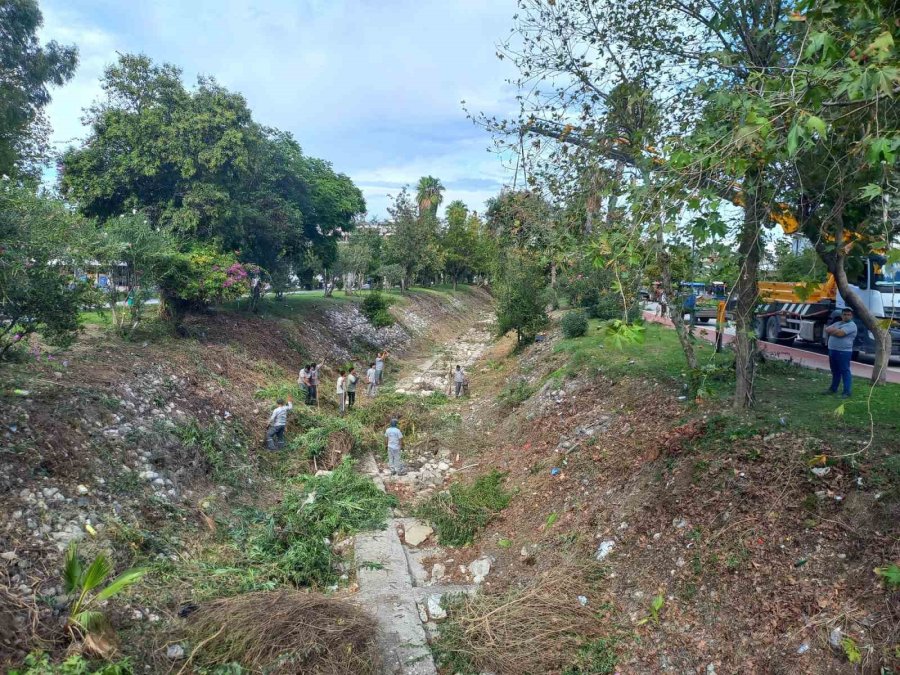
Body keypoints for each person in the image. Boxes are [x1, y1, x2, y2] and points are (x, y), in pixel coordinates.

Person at [823, 307, 857, 398]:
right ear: (841, 315)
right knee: (835, 371)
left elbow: (840, 334)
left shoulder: (852, 325)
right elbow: (827, 329)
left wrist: (834, 331)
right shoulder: (837, 323)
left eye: (848, 314)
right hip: (832, 350)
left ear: (851, 316)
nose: (846, 316)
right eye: (844, 314)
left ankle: (847, 392)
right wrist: (835, 330)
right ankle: (833, 388)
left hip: (843, 352)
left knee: (845, 371)